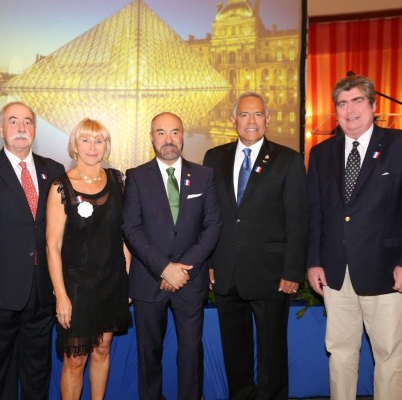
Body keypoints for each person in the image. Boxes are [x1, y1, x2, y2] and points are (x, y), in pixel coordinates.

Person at [203, 92, 308, 400]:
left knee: (272, 352)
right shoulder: (214, 157)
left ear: (268, 119)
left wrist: (292, 270)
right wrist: (210, 261)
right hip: (227, 272)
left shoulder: (288, 160)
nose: (251, 121)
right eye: (245, 115)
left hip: (272, 274)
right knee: (234, 350)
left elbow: (298, 220)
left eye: (258, 114)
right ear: (234, 120)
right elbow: (211, 216)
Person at [0, 101, 64, 399]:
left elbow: (58, 234)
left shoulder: (53, 170)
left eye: (28, 122)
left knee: (37, 370)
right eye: (14, 121)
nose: (21, 128)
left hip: (41, 290)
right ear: (1, 128)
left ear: (35, 129)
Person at [307, 75, 402, 400]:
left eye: (357, 101)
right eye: (342, 104)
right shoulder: (320, 153)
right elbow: (315, 212)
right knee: (341, 352)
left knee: (389, 354)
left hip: (386, 271)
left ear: (374, 106)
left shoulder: (398, 144)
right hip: (335, 272)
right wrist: (313, 262)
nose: (349, 110)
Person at [122, 112, 221, 400]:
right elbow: (130, 228)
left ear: (183, 135)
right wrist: (164, 268)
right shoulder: (136, 177)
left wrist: (182, 269)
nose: (168, 139)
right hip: (148, 280)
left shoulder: (204, 176)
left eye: (174, 132)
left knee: (191, 353)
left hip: (190, 281)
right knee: (148, 354)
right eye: (161, 132)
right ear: (152, 137)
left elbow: (213, 225)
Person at [46, 118, 131, 399]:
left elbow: (124, 237)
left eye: (99, 141)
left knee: (102, 350)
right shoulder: (61, 186)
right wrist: (61, 295)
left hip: (112, 283)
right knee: (74, 360)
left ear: (106, 145)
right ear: (75, 145)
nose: (92, 147)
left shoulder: (118, 180)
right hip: (77, 287)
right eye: (86, 140)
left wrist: (126, 280)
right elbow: (52, 246)